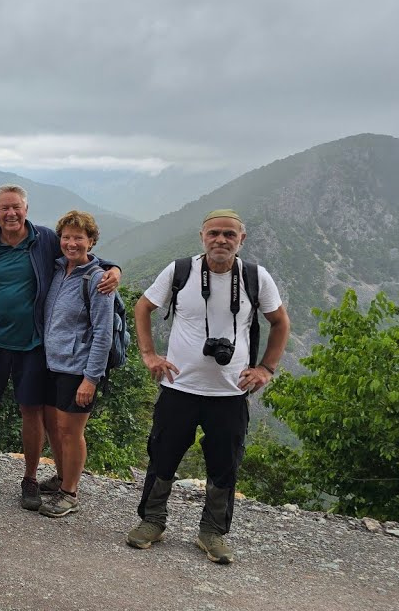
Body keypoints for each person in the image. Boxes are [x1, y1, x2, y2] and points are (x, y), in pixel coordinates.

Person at [127, 209, 289, 564]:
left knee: (224, 464)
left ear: (241, 239)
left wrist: (266, 368)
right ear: (202, 236)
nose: (221, 240)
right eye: (214, 233)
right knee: (163, 455)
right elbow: (142, 307)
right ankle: (152, 521)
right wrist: (149, 354)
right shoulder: (180, 271)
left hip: (230, 393)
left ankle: (212, 532)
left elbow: (280, 322)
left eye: (229, 234)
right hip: (179, 387)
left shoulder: (255, 277)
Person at [0, 184, 120, 508]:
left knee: (31, 410)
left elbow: (81, 253)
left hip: (32, 345)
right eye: (4, 208)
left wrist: (114, 269)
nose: (11, 213)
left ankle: (30, 479)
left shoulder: (43, 239)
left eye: (16, 207)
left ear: (26, 209)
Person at [37, 211, 112, 519]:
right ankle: (61, 477)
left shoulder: (98, 280)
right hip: (51, 364)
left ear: (91, 241)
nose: (71, 243)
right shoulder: (59, 270)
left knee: (71, 431)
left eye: (78, 238)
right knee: (53, 426)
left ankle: (70, 493)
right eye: (66, 237)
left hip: (78, 369)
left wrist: (90, 379)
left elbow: (103, 333)